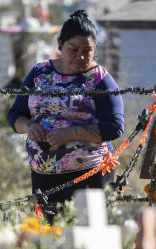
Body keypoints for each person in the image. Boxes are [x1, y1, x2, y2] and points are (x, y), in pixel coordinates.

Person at [7, 10, 124, 204]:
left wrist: (70, 133)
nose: (80, 57)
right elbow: (15, 115)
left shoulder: (100, 79)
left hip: (90, 176)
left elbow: (114, 126)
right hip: (44, 177)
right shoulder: (39, 73)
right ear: (60, 44)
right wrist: (29, 127)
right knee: (49, 233)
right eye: (73, 49)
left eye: (87, 51)